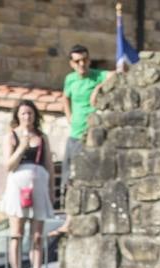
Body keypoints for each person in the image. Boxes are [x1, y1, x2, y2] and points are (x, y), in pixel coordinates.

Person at [3, 99, 54, 268]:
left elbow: (49, 164)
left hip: (38, 185)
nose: (27, 117)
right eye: (23, 113)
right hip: (18, 186)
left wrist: (51, 190)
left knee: (37, 236)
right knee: (16, 234)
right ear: (18, 115)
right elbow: (8, 165)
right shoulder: (12, 137)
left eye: (30, 113)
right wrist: (22, 146)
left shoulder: (42, 137)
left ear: (35, 116)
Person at [60, 45, 109, 191]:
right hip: (75, 134)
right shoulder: (70, 79)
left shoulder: (97, 75)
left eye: (85, 60)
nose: (82, 64)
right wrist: (69, 117)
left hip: (92, 134)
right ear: (71, 64)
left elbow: (119, 73)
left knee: (90, 179)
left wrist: (98, 88)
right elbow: (65, 98)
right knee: (70, 180)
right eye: (77, 61)